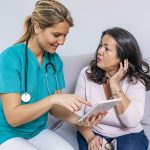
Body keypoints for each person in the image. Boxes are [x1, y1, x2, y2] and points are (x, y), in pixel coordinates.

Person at [0, 0, 103, 149]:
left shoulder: (54, 61)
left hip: (37, 131)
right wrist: (52, 99)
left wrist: (79, 120)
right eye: (56, 35)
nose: (61, 41)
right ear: (37, 27)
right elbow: (13, 118)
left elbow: (55, 108)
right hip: (7, 133)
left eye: (65, 36)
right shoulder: (10, 59)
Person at [75, 27, 150, 150]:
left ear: (122, 56)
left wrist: (114, 84)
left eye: (107, 48)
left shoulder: (135, 80)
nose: (100, 51)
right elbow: (76, 115)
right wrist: (90, 138)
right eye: (100, 46)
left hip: (129, 135)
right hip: (94, 132)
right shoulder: (86, 73)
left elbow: (130, 122)